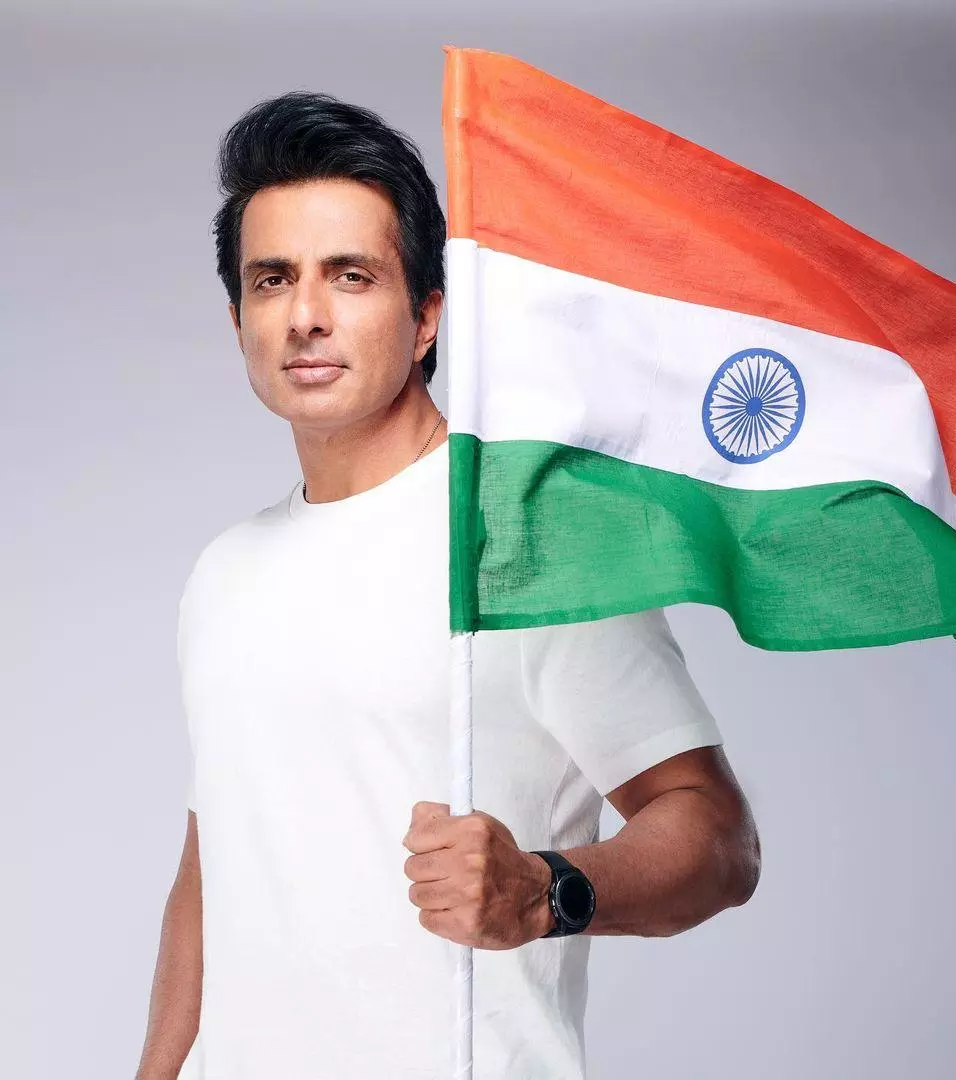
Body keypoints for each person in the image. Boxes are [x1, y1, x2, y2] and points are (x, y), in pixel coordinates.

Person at [134, 90, 761, 1080]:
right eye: (272, 280)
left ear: (426, 315)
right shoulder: (224, 572)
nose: (305, 316)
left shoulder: (523, 542)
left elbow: (719, 841)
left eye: (351, 276)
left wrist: (543, 889)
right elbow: (213, 873)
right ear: (238, 318)